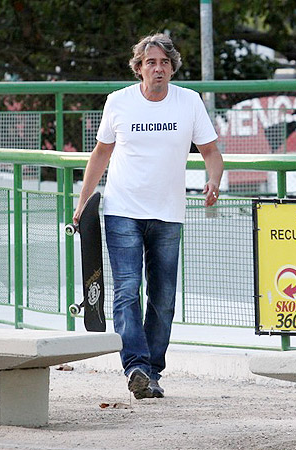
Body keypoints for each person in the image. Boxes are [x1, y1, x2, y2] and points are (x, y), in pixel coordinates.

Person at [73, 33, 224, 399]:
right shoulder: (119, 102)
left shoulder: (188, 102)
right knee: (127, 290)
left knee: (163, 297)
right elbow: (100, 154)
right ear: (139, 68)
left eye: (165, 63)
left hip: (169, 213)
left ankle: (153, 370)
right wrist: (83, 201)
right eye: (151, 62)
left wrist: (213, 181)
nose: (158, 69)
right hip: (122, 209)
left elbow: (211, 152)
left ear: (173, 68)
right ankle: (136, 366)